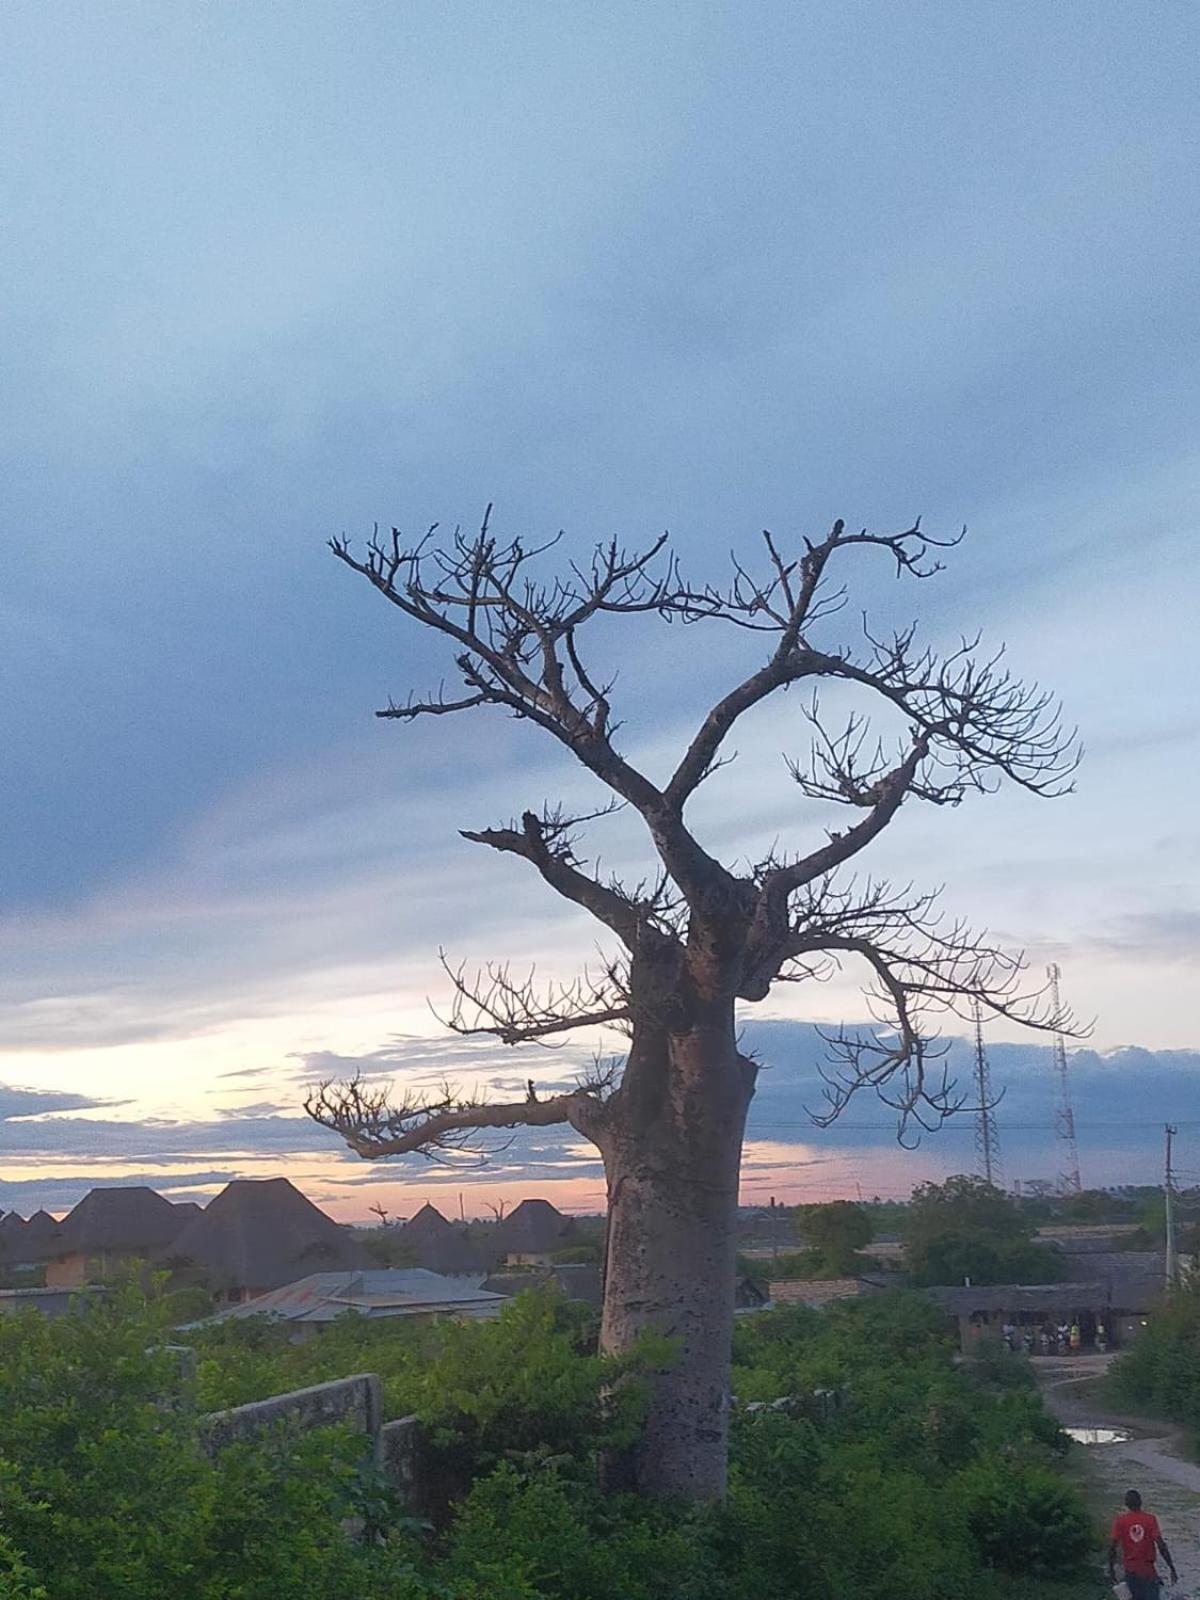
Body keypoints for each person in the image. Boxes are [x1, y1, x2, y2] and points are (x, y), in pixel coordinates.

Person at [1108, 1488, 1178, 1599]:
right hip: (1148, 1572)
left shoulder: (1120, 1521)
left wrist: (1111, 1569)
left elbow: (1112, 1547)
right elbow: (1161, 1545)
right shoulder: (1150, 1519)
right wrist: (1171, 1567)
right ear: (1141, 1502)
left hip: (1130, 1572)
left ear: (1126, 1504)